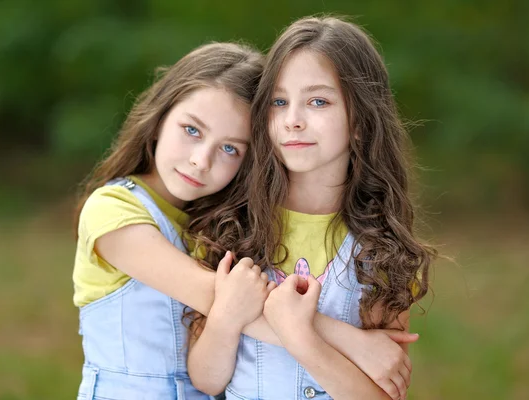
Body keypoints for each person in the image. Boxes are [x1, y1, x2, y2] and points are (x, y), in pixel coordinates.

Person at [187, 16, 436, 400]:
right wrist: (226, 318)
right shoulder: (232, 226)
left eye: (318, 101)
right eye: (279, 102)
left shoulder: (382, 249)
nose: (293, 121)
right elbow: (206, 379)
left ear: (360, 121)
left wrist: (302, 337)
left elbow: (383, 393)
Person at [72, 42, 266, 399]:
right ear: (161, 119)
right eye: (192, 130)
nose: (200, 160)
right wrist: (355, 344)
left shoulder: (220, 225)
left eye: (229, 149)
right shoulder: (112, 208)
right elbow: (224, 299)